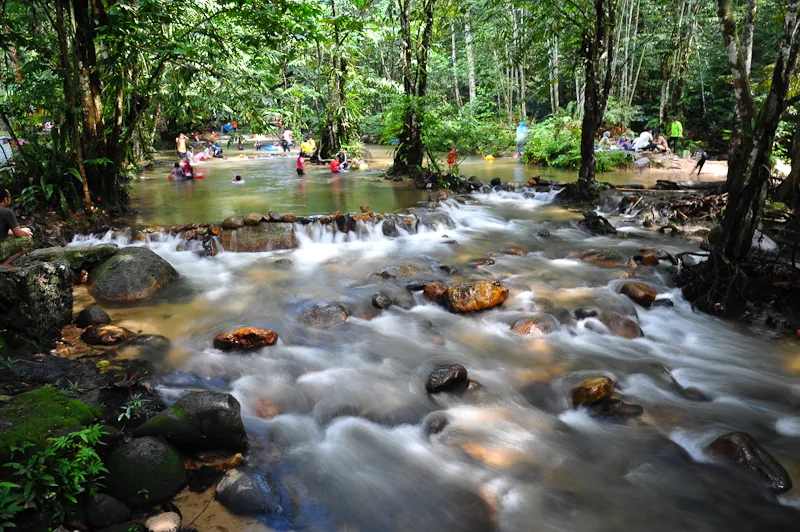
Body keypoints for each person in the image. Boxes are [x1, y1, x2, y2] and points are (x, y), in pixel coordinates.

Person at [0, 189, 33, 266]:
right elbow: (18, 234)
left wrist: (21, 230)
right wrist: (25, 232)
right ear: (5, 199)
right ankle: (3, 265)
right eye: (9, 197)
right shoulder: (7, 212)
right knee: (27, 241)